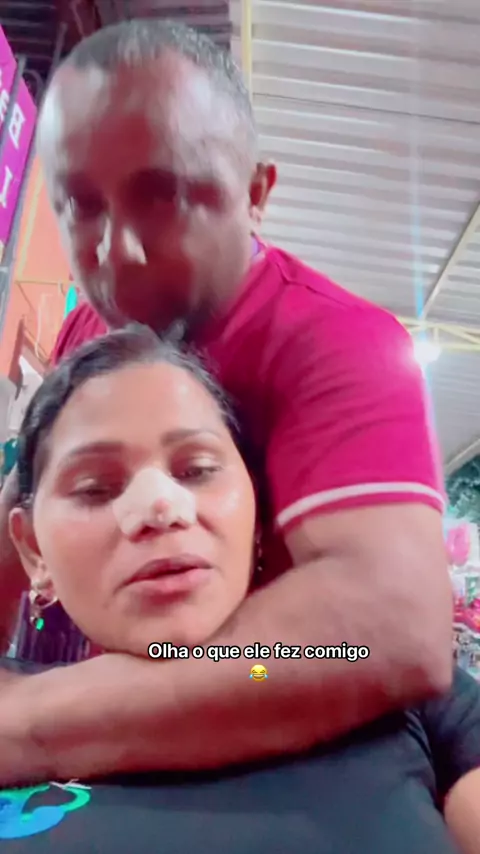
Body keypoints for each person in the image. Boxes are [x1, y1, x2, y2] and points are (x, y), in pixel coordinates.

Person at [0, 19, 452, 783]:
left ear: (256, 194)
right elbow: (19, 516)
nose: (118, 252)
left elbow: (386, 629)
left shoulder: (336, 342)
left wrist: (29, 726)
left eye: (164, 196)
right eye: (81, 207)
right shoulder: (92, 330)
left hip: (306, 774)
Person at [0, 325, 478, 854]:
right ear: (33, 549)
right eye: (95, 488)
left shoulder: (377, 676)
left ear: (256, 516)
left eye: (198, 469)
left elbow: (260, 667)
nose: (160, 509)